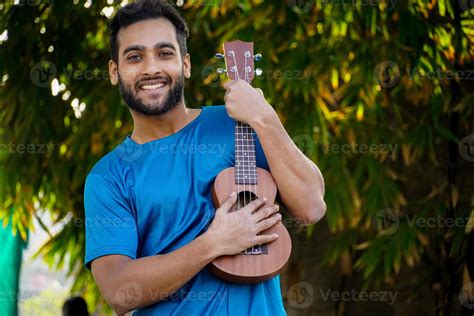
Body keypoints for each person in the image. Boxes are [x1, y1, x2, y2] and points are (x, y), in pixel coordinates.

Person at [83, 0, 326, 315]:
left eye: (165, 53)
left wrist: (266, 118)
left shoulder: (239, 124)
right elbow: (119, 291)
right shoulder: (108, 177)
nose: (151, 68)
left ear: (185, 64)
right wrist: (214, 243)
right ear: (115, 71)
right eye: (134, 57)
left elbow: (311, 207)